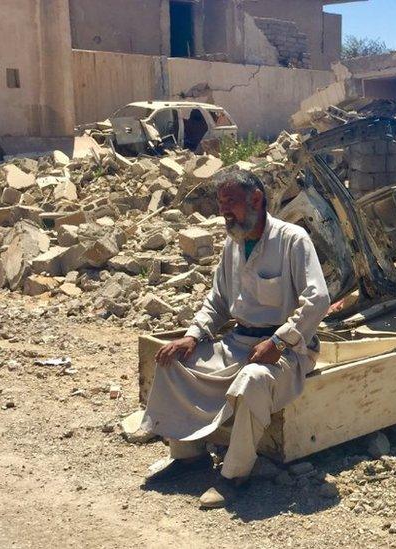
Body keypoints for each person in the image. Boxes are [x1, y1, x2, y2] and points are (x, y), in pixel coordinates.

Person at [140, 169, 330, 508]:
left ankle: (235, 476)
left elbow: (317, 299)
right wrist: (193, 336)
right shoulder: (234, 244)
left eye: (230, 202)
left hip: (287, 350)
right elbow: (217, 302)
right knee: (171, 361)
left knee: (254, 380)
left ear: (255, 199)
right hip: (239, 343)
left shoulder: (292, 239)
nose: (223, 210)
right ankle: (188, 457)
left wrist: (280, 342)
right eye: (221, 203)